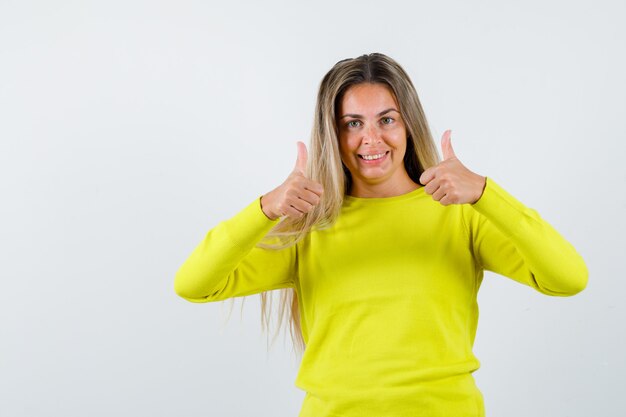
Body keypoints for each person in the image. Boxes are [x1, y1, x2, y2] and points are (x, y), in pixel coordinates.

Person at [174, 53, 588, 417]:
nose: (371, 139)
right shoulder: (309, 227)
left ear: (408, 124)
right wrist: (265, 209)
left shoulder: (461, 216)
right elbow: (193, 284)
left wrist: (485, 193)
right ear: (332, 136)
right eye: (352, 123)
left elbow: (568, 278)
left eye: (386, 119)